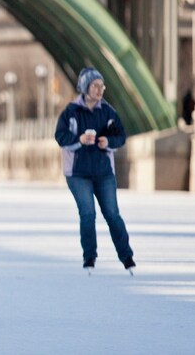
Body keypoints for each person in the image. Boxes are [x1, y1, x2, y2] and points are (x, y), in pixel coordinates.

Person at [55, 67, 135, 275]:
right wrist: (79, 140)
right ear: (85, 88)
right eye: (95, 86)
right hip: (78, 173)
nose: (100, 90)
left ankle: (126, 256)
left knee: (112, 214)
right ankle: (89, 257)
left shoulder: (108, 112)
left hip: (103, 173)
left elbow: (121, 136)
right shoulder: (71, 112)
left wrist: (108, 141)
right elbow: (60, 136)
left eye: (102, 86)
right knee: (88, 214)